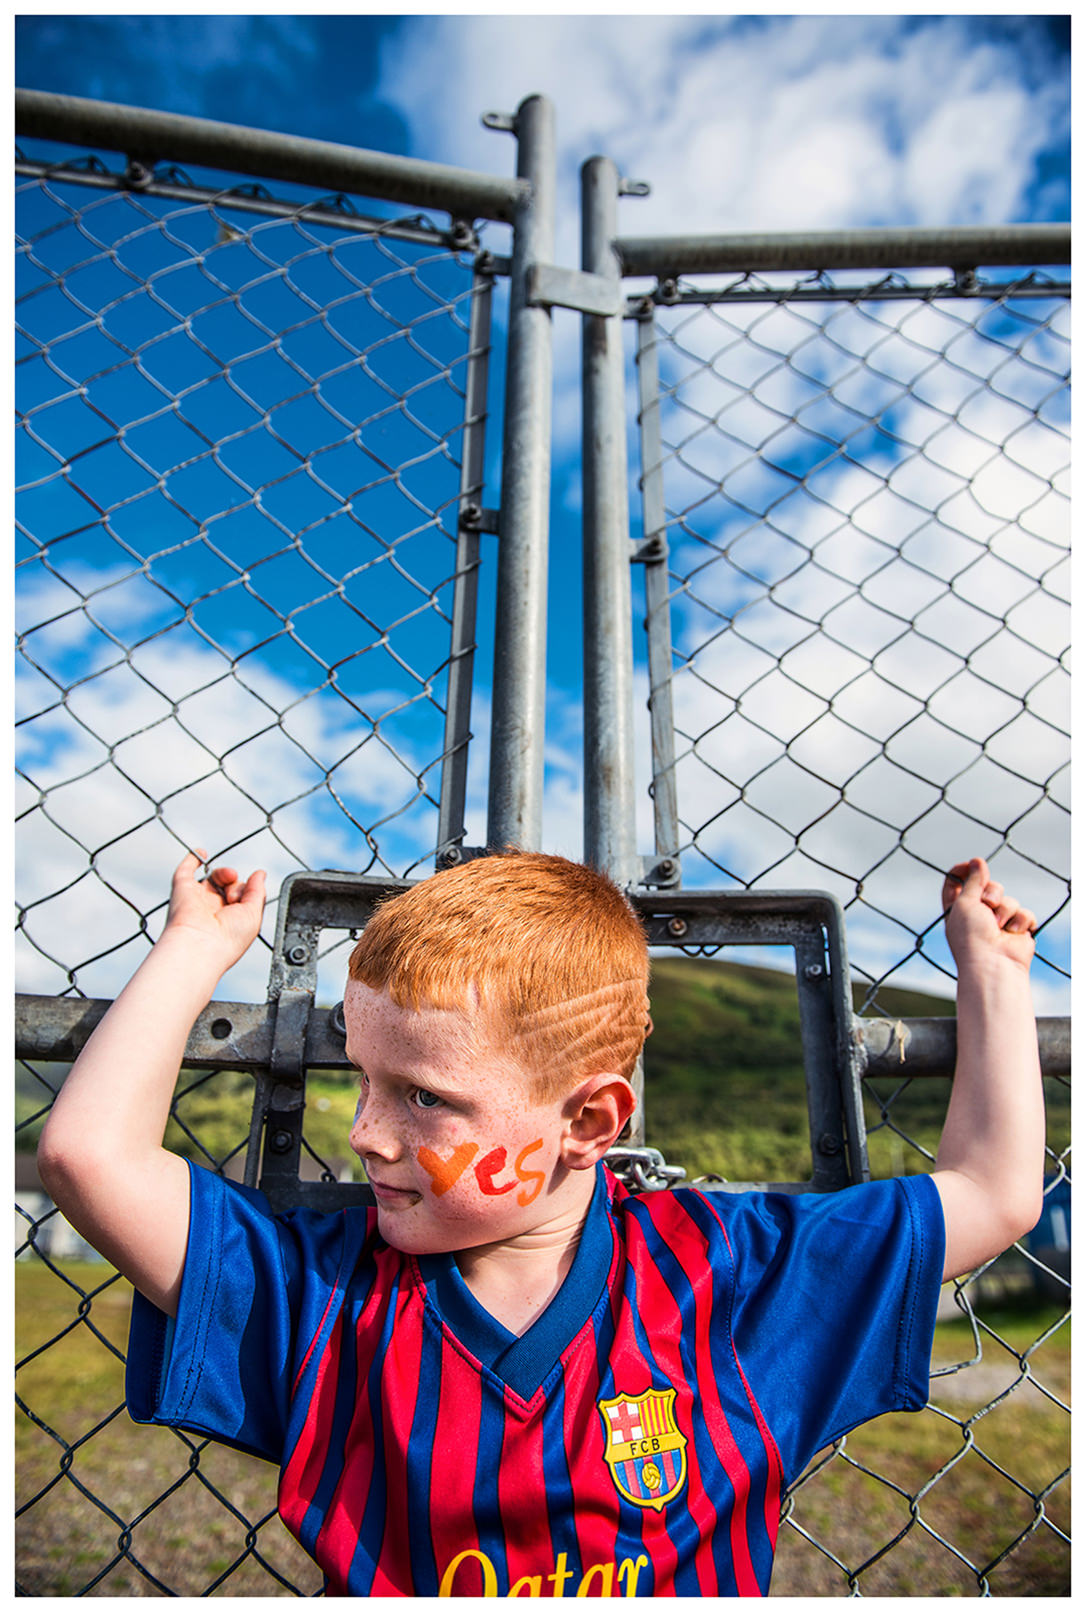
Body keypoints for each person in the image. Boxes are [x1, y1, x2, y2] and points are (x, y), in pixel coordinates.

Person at [37, 848, 1043, 1597]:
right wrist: (193, 950)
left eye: (424, 1097)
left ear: (590, 1122)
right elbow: (89, 1156)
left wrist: (991, 974)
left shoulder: (734, 1279)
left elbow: (994, 1191)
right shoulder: (323, 1296)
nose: (367, 1134)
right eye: (363, 1080)